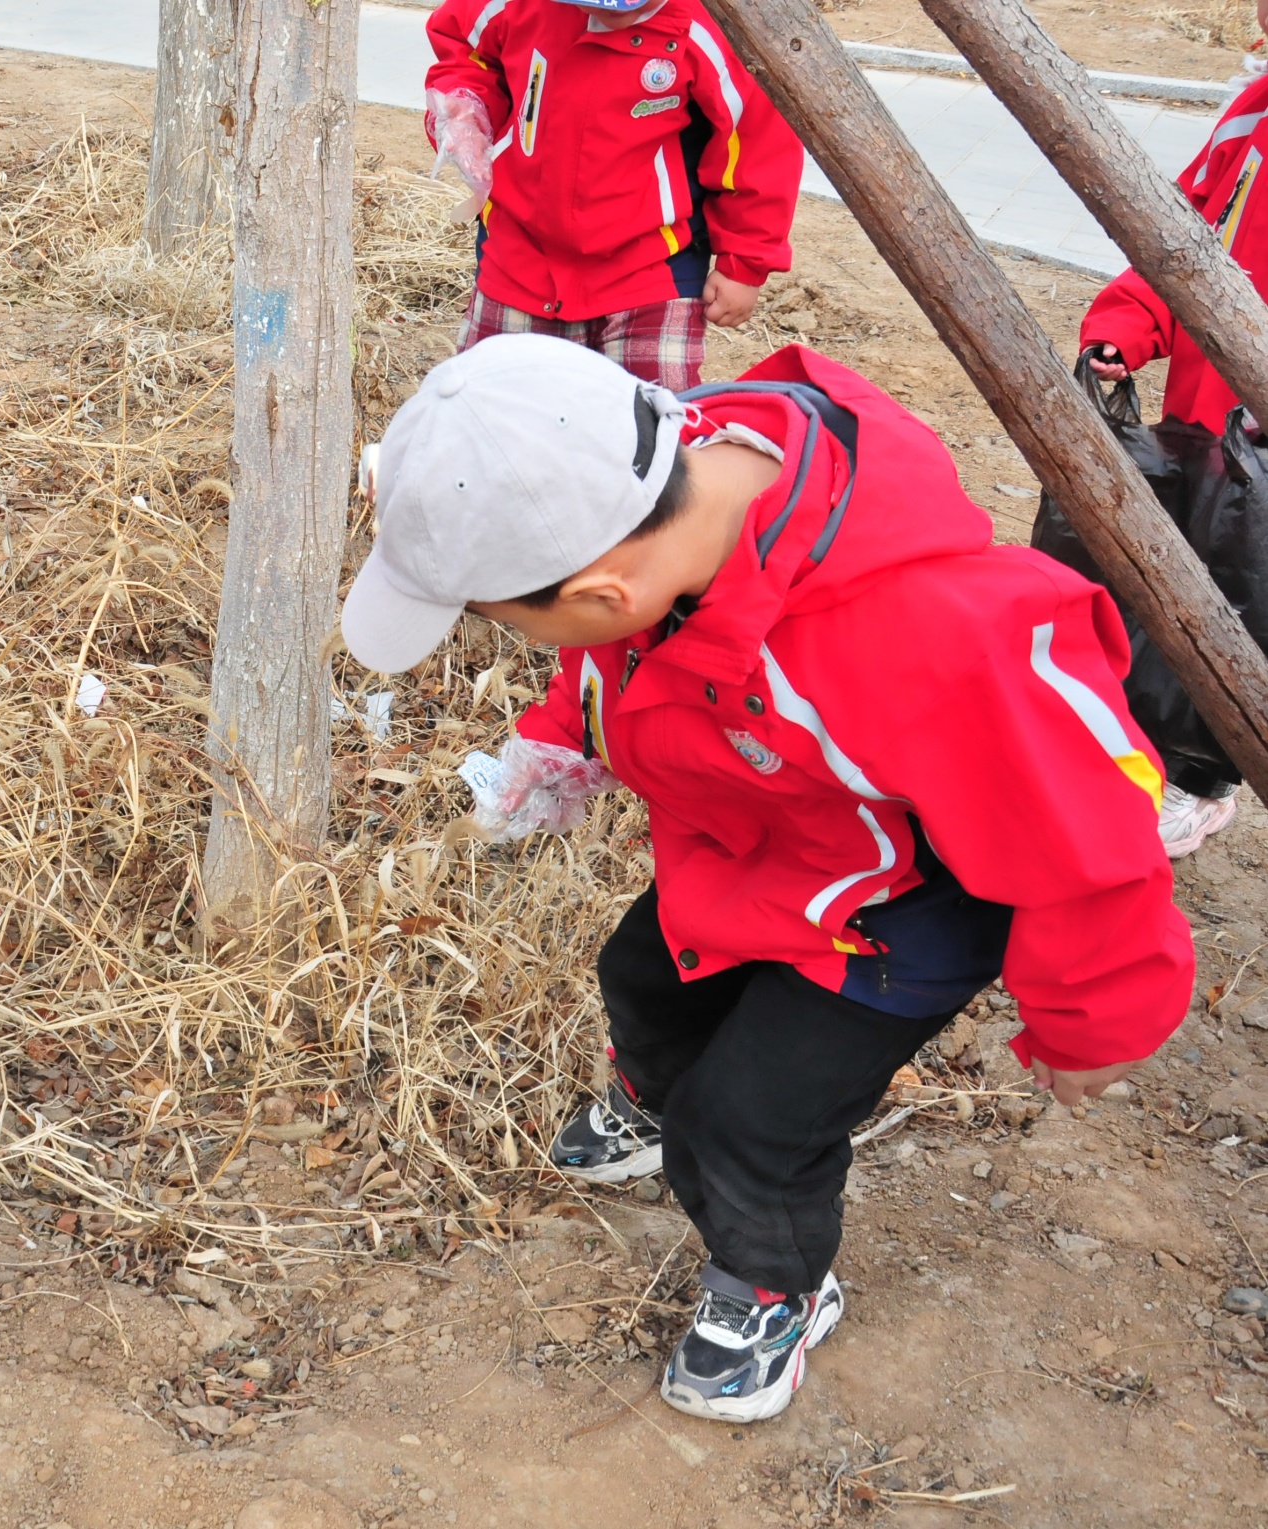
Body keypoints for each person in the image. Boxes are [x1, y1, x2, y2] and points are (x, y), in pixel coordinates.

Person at [341, 335, 1192, 1423]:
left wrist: (1096, 1016)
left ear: (606, 588)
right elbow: (612, 661)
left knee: (750, 1119)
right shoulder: (662, 488)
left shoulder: (934, 637)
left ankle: (774, 1282)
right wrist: (564, 739)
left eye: (506, 618)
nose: (517, 637)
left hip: (892, 915)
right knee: (641, 977)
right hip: (754, 840)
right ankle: (650, 1099)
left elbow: (1083, 834)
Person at [1076, 3, 1268, 858]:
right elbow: (1179, 240)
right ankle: (1150, 745)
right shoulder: (1252, 118)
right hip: (1202, 419)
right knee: (1176, 593)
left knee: (1249, 617)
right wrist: (1127, 325)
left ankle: (1202, 780)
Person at [423, 0, 801, 389]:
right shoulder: (514, 7)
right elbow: (463, 48)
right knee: (486, 414)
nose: (612, 11)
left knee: (651, 431)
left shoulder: (708, 27)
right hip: (518, 257)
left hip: (652, 269)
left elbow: (756, 143)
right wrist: (464, 106)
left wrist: (745, 263)